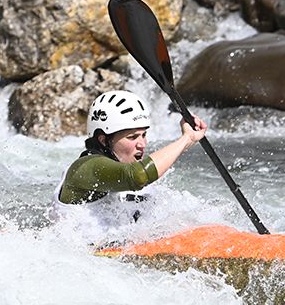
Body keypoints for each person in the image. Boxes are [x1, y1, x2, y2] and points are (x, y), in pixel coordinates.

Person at [53, 90, 208, 226]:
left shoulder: (124, 169)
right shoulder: (86, 167)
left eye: (144, 135)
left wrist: (191, 139)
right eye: (133, 137)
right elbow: (138, 176)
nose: (142, 144)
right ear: (103, 140)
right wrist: (186, 139)